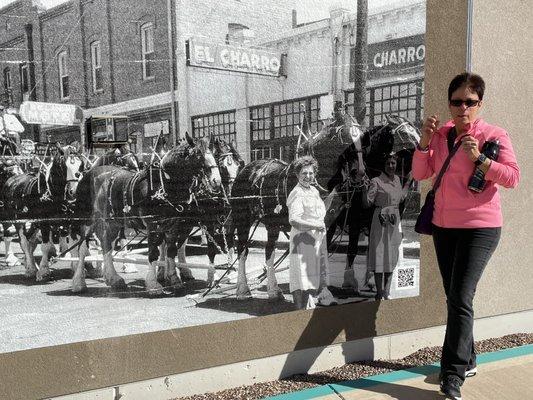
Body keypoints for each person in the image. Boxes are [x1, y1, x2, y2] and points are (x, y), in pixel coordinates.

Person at [412, 72, 520, 400]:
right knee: (456, 297)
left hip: (481, 228)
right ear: (449, 104)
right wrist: (424, 143)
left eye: (470, 102)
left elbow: (513, 178)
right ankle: (469, 356)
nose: (463, 108)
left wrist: (482, 160)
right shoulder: (442, 134)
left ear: (479, 105)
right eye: (457, 101)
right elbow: (420, 173)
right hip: (445, 228)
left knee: (460, 297)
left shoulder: (493, 135)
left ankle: (452, 373)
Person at [287, 156, 336, 309]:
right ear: (297, 175)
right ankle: (299, 312)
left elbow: (321, 212)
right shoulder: (297, 193)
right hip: (302, 240)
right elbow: (294, 220)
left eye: (311, 173)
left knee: (309, 280)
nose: (308, 176)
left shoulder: (313, 191)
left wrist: (333, 194)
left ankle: (305, 311)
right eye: (304, 173)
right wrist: (315, 225)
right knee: (300, 280)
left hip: (316, 240)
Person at [364, 153, 411, 300]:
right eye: (388, 164)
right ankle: (379, 292)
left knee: (392, 255)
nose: (391, 166)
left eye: (393, 163)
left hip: (394, 221)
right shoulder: (375, 181)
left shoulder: (397, 179)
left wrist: (409, 181)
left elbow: (401, 197)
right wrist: (363, 189)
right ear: (383, 166)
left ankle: (387, 292)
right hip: (380, 221)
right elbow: (367, 203)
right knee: (380, 255)